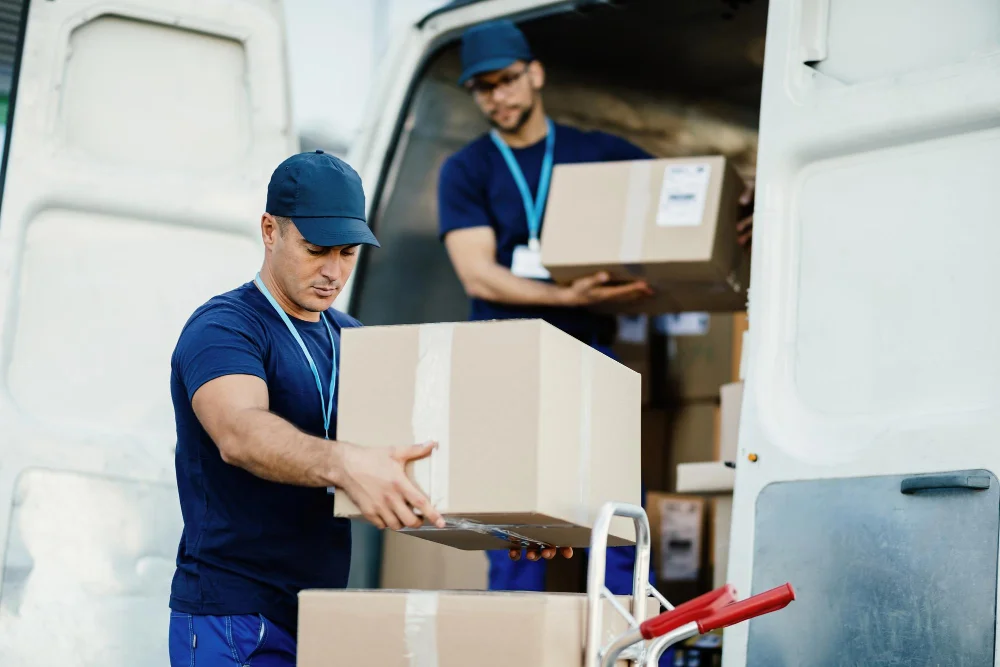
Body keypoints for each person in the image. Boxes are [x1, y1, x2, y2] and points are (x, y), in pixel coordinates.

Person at [437, 20, 754, 597]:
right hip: (506, 358)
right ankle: (515, 645)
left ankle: (632, 642)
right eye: (482, 88)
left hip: (588, 355)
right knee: (514, 519)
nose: (497, 96)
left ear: (535, 73)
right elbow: (477, 271)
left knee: (611, 513)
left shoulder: (598, 152)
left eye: (506, 80)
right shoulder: (467, 168)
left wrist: (742, 197)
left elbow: (678, 202)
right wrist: (565, 296)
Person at [166, 151, 451, 666]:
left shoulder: (355, 340)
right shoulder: (224, 328)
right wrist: (345, 462)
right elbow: (240, 434)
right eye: (316, 249)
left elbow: (418, 457)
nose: (333, 271)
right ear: (270, 230)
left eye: (348, 252)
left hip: (318, 618)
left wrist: (512, 528)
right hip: (234, 617)